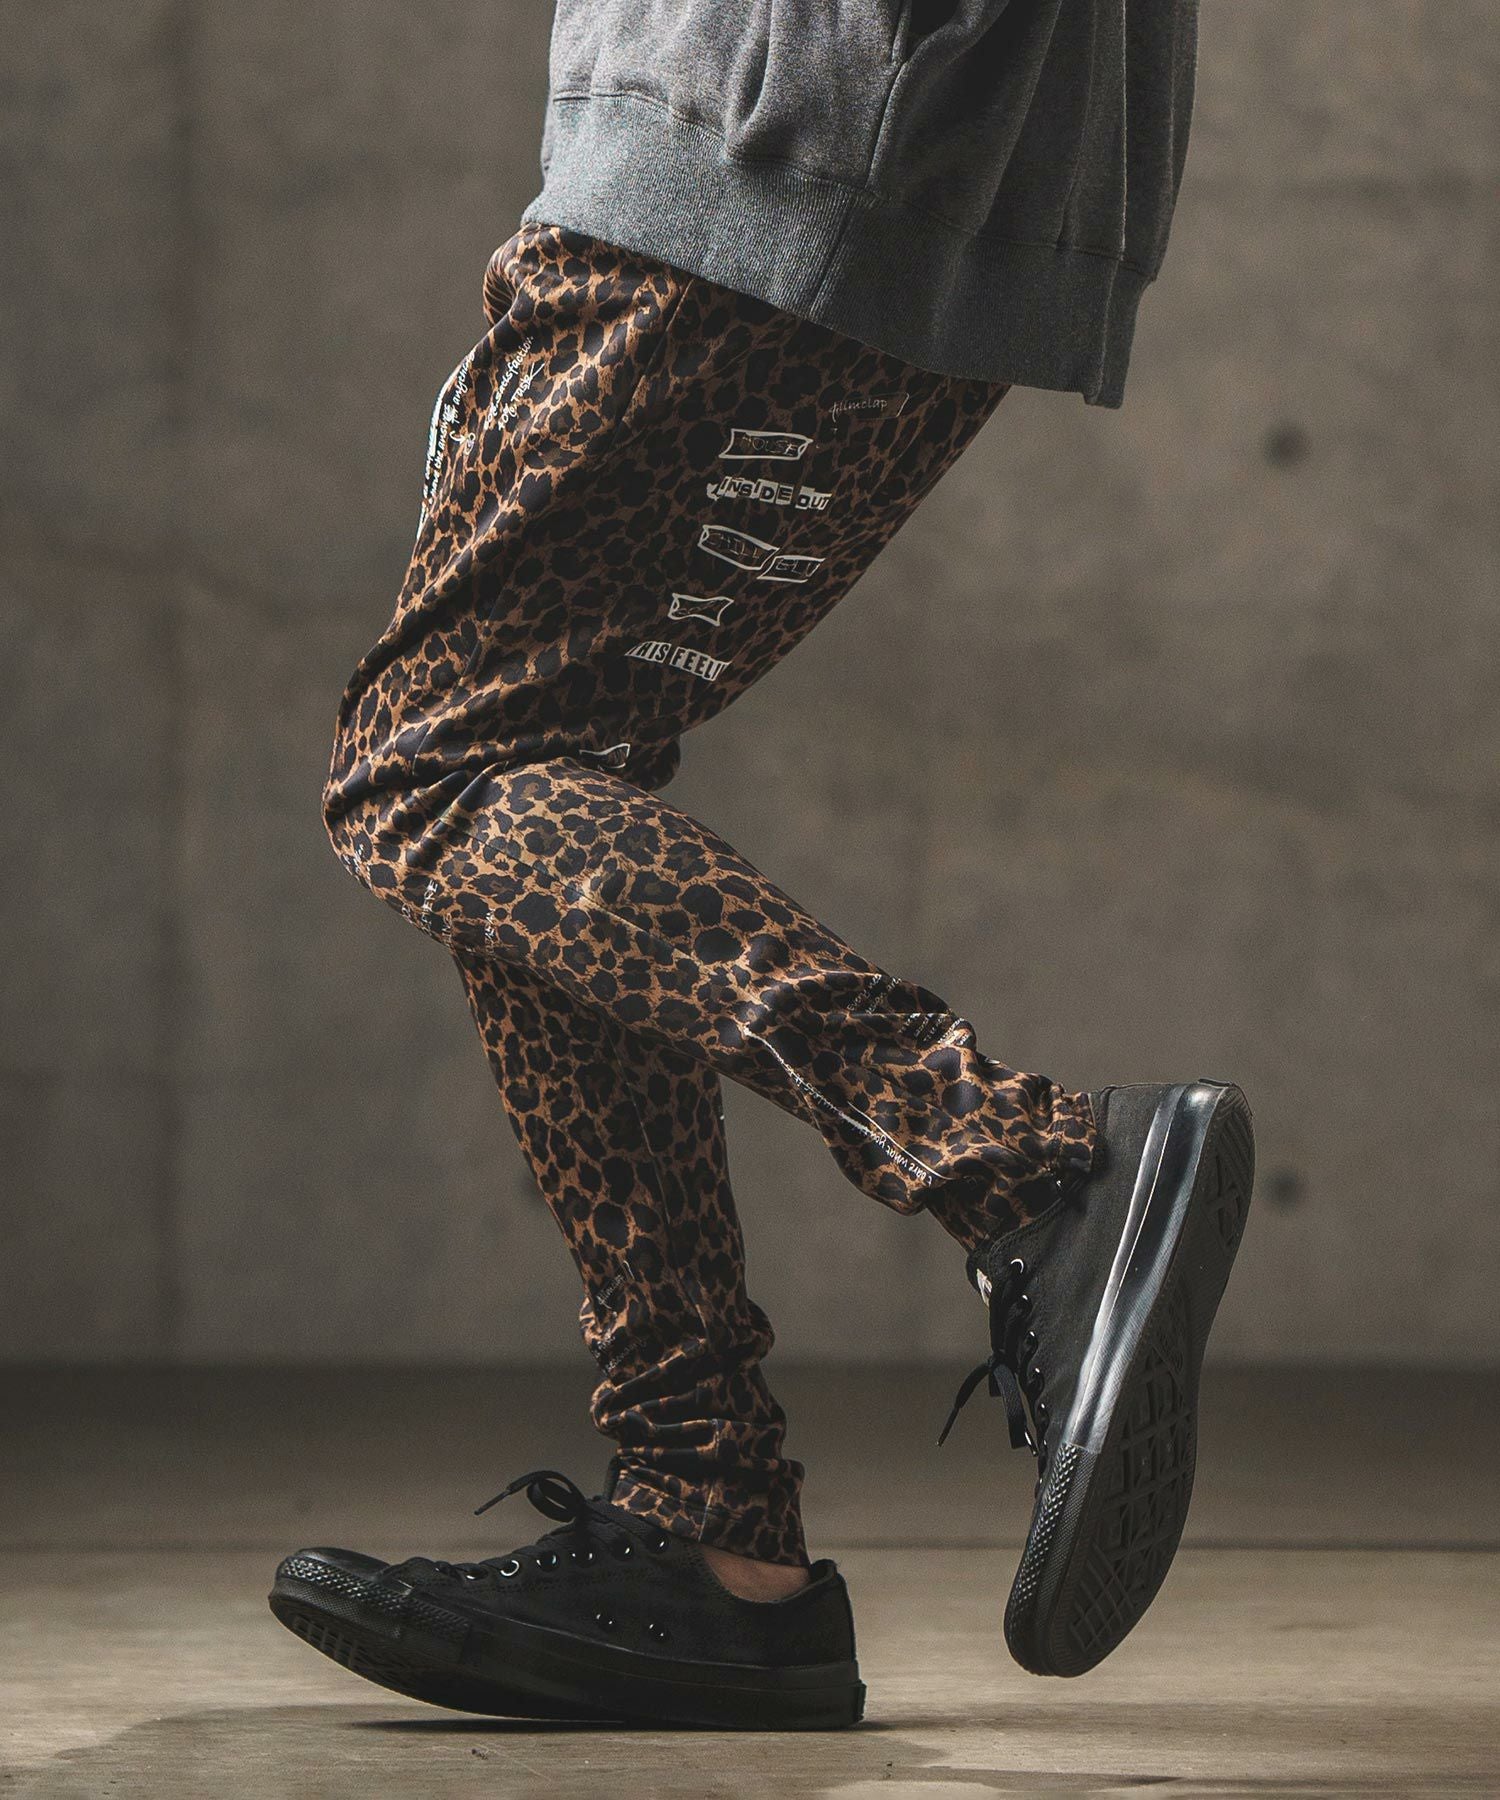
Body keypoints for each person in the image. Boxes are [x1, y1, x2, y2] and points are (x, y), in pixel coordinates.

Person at [269, 0, 1254, 1729]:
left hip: (768, 124)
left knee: (437, 770)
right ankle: (713, 1540)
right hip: (917, 149)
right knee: (539, 778)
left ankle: (1019, 1165)